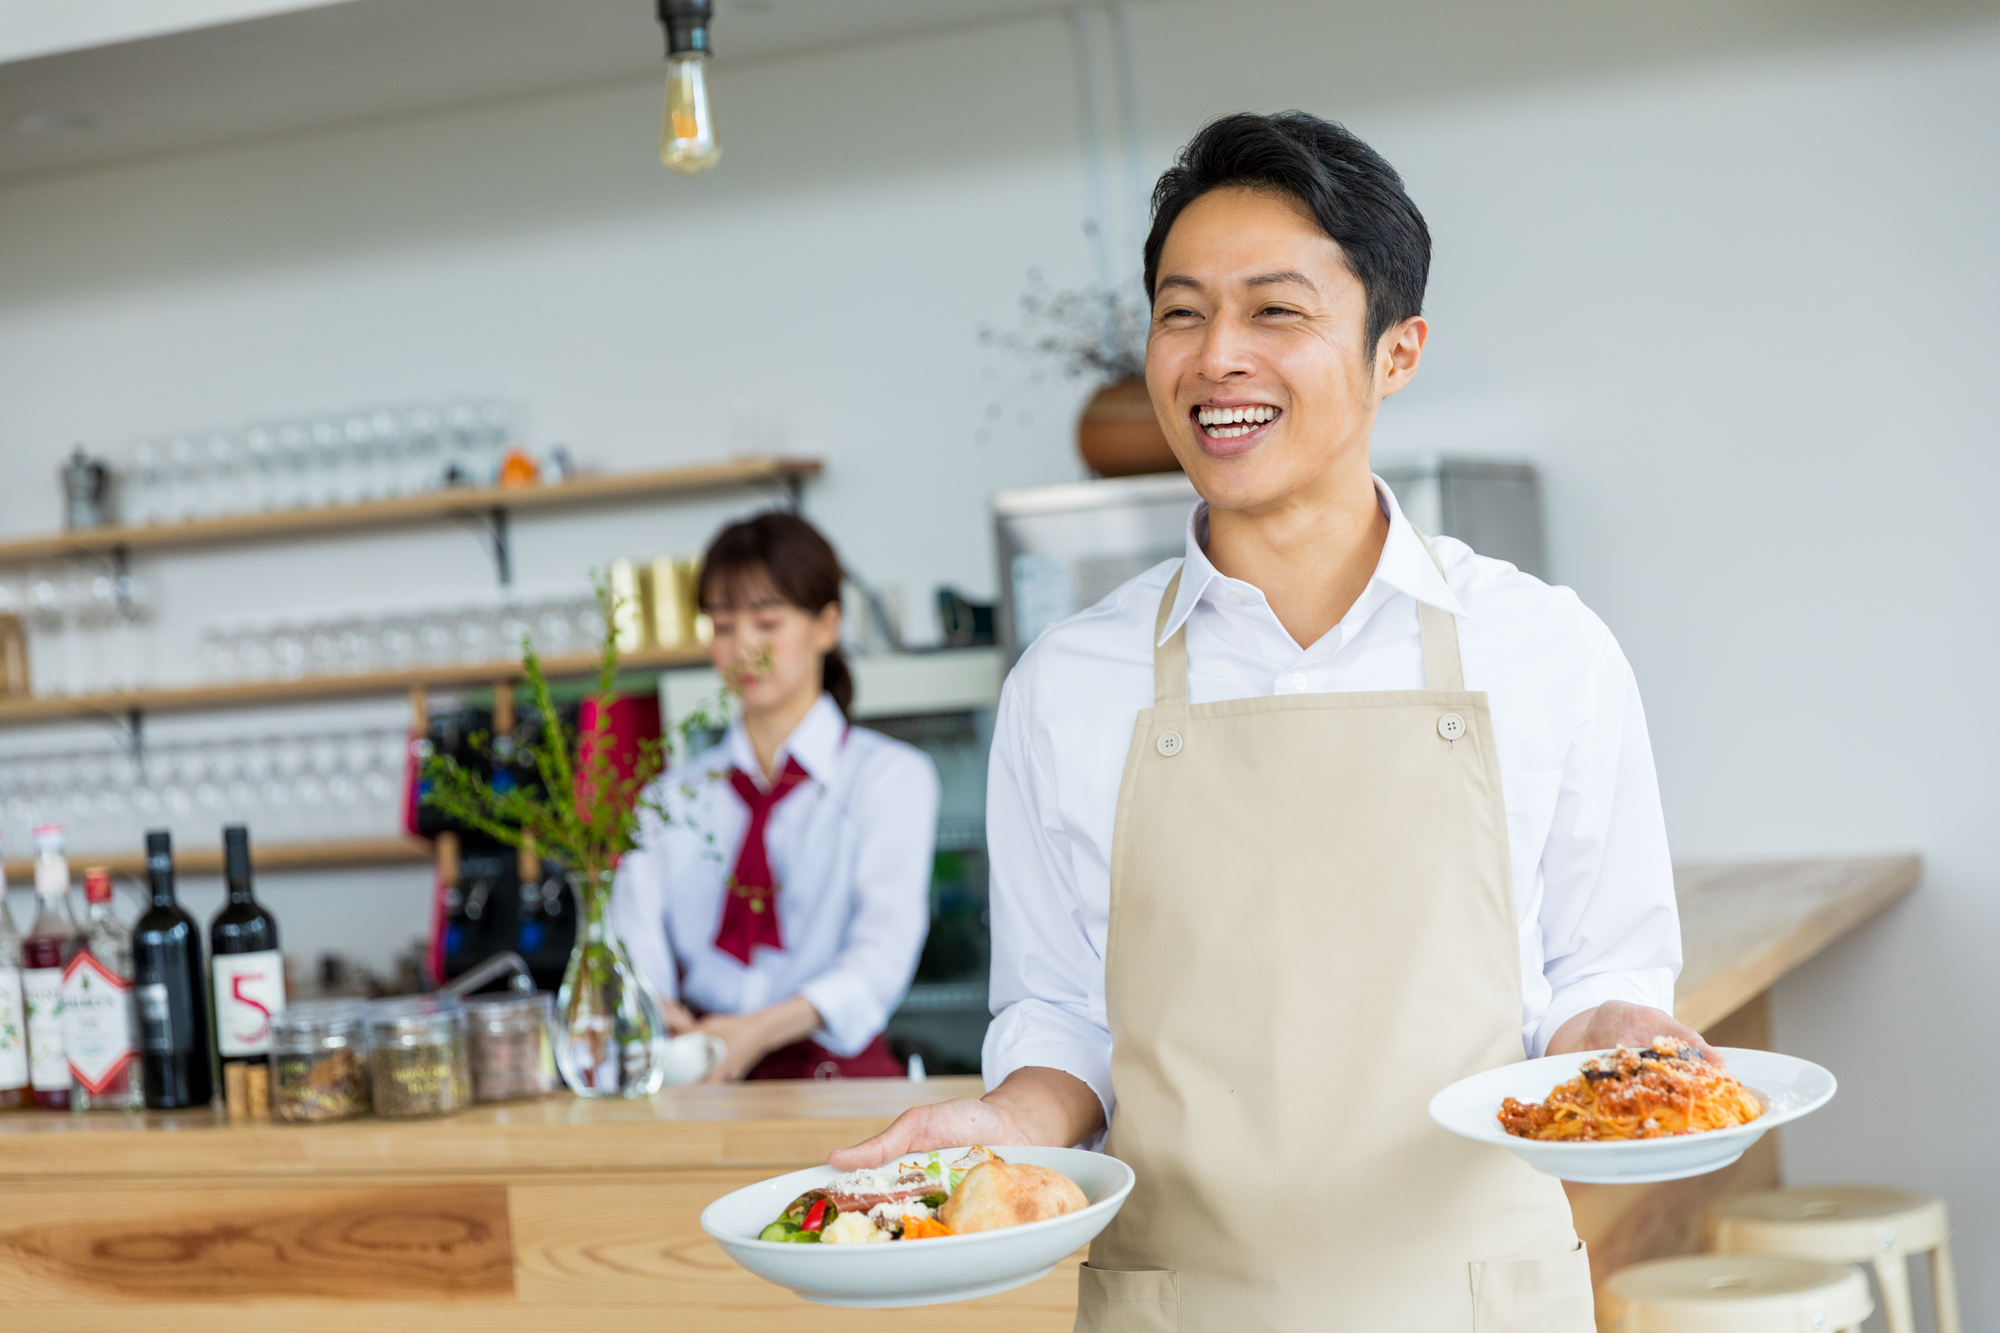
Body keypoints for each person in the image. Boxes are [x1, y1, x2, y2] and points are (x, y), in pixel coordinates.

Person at [835, 112, 1698, 1330]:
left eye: (1273, 311)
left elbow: (1597, 972)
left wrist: (1629, 1037)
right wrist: (1005, 1122)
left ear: (1395, 352)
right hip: (1179, 1302)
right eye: (1180, 312)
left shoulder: (1547, 650)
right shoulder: (1067, 684)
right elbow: (1062, 1018)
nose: (1214, 356)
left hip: (1471, 1297)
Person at [611, 512, 939, 1081]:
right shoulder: (673, 795)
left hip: (837, 1077)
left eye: (767, 622)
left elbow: (883, 953)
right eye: (723, 626)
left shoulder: (890, 778)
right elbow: (632, 939)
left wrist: (758, 1031)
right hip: (699, 1074)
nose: (744, 650)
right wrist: (662, 1016)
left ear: (826, 626)